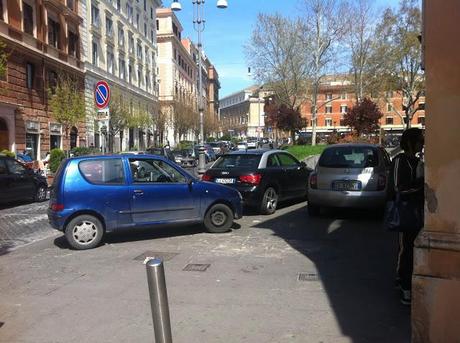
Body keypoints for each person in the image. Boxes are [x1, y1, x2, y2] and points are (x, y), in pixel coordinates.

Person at [390, 128, 424, 305]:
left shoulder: (419, 161)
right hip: (405, 211)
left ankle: (402, 280)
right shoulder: (399, 161)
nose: (423, 143)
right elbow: (398, 189)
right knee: (406, 249)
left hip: (418, 211)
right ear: (411, 142)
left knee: (411, 248)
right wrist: (421, 186)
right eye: (420, 140)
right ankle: (405, 287)